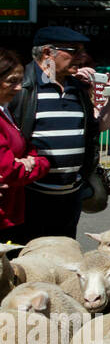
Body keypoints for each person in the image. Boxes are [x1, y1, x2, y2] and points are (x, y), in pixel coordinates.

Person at [11, 27, 110, 240]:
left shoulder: (77, 88)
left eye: (83, 51)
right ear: (47, 54)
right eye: (74, 50)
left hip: (70, 197)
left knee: (64, 254)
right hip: (31, 197)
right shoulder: (21, 88)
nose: (83, 56)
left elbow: (97, 129)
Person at [0, 48, 49, 241]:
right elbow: (9, 171)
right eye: (12, 81)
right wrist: (33, 165)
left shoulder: (6, 111)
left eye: (20, 81)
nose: (19, 88)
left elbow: (29, 150)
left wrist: (33, 162)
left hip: (11, 212)